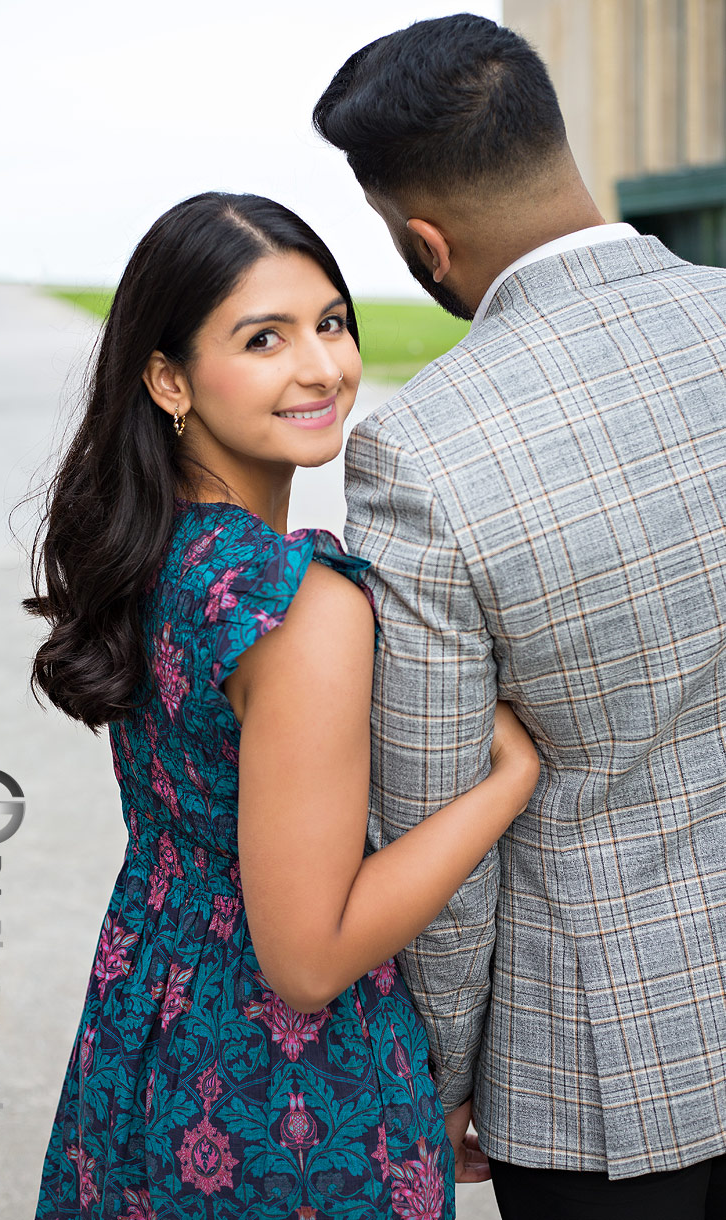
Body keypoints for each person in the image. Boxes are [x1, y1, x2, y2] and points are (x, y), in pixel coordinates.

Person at [25, 191, 539, 1219]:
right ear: (169, 378)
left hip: (145, 1022)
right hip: (286, 1093)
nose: (321, 366)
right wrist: (508, 782)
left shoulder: (152, 546)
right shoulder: (297, 602)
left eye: (332, 322)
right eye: (264, 337)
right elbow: (306, 957)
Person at [312, 13, 726, 1220]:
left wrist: (437, 1079)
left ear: (422, 242)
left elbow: (440, 817)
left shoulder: (421, 452)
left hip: (601, 1077)